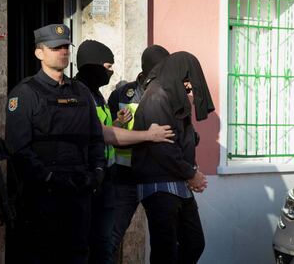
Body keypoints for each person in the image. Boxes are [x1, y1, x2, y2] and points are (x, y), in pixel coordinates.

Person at [5, 24, 105, 264]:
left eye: (65, 47)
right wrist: (49, 178)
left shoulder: (81, 91)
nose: (63, 52)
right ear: (39, 53)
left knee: (78, 254)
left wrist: (98, 171)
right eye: (55, 47)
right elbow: (18, 148)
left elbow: (95, 138)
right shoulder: (26, 94)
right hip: (43, 198)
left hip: (79, 193)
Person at [74, 40, 174, 263]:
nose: (111, 72)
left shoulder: (97, 94)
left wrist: (118, 124)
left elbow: (106, 133)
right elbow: (103, 135)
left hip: (135, 177)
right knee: (103, 242)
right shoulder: (93, 95)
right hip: (107, 180)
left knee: (160, 241)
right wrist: (149, 135)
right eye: (108, 67)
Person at [132, 51, 215, 264]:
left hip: (178, 183)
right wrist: (191, 173)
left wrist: (190, 171)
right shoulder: (157, 97)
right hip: (160, 186)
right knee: (165, 250)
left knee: (194, 243)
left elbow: (179, 139)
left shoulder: (171, 95)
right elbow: (163, 147)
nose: (189, 86)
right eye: (187, 80)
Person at [107, 44, 170, 260]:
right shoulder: (122, 94)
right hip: (125, 177)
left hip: (156, 177)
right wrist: (118, 122)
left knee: (163, 240)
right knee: (111, 237)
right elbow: (108, 130)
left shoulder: (169, 92)